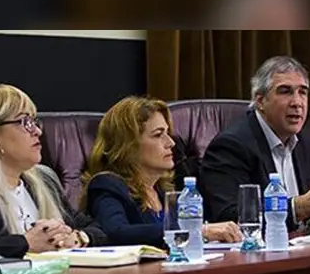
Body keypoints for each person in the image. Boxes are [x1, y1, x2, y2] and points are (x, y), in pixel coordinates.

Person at [199, 55, 310, 226]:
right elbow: (230, 216)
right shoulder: (231, 146)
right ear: (260, 100)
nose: (297, 103)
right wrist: (299, 207)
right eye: (285, 91)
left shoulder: (307, 146)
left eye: (303, 92)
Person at [0, 84, 107, 258]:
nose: (37, 131)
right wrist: (26, 243)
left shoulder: (43, 179)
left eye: (34, 121)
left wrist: (78, 237)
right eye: (24, 122)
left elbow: (97, 227)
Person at [81, 96, 241, 246]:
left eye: (167, 133)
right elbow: (116, 232)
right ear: (129, 145)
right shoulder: (107, 185)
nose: (170, 143)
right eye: (158, 135)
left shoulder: (163, 190)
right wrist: (200, 231)